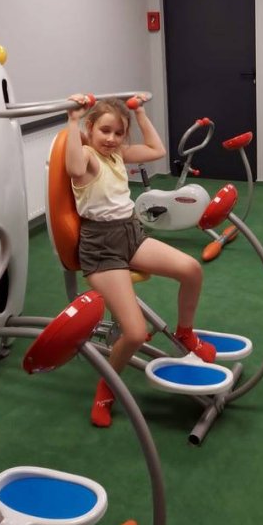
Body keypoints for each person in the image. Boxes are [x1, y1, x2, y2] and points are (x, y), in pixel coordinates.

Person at [66, 93, 216, 428]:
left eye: (118, 133)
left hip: (131, 234)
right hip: (101, 248)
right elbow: (74, 167)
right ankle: (106, 390)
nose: (111, 139)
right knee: (134, 333)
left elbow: (156, 150)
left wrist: (141, 113)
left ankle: (185, 334)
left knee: (191, 270)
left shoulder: (118, 154)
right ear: (91, 129)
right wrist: (73, 119)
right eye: (105, 130)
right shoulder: (88, 156)